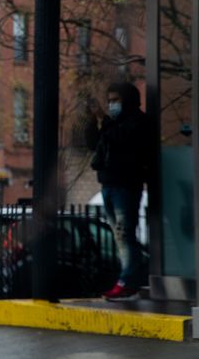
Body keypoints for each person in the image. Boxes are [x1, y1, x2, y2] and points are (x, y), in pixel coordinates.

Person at [85, 82, 151, 300]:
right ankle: (129, 278)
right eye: (110, 100)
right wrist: (92, 121)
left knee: (125, 235)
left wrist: (105, 120)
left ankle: (129, 280)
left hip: (126, 186)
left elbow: (121, 140)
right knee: (119, 235)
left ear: (127, 100)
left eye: (116, 100)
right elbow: (94, 144)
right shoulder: (112, 123)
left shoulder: (137, 122)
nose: (112, 105)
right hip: (109, 185)